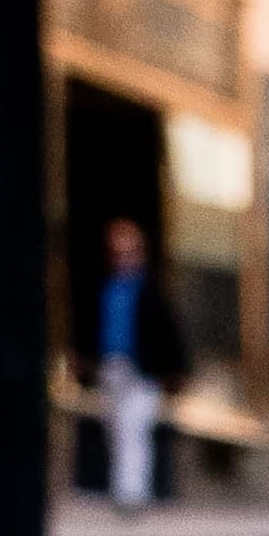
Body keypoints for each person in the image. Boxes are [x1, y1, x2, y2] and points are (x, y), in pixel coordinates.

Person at [90, 215, 184, 514]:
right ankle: (121, 490)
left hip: (142, 372)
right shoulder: (107, 290)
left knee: (134, 429)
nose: (123, 258)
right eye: (118, 252)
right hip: (112, 367)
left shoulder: (150, 292)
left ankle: (132, 494)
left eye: (129, 252)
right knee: (116, 429)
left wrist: (173, 372)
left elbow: (169, 334)